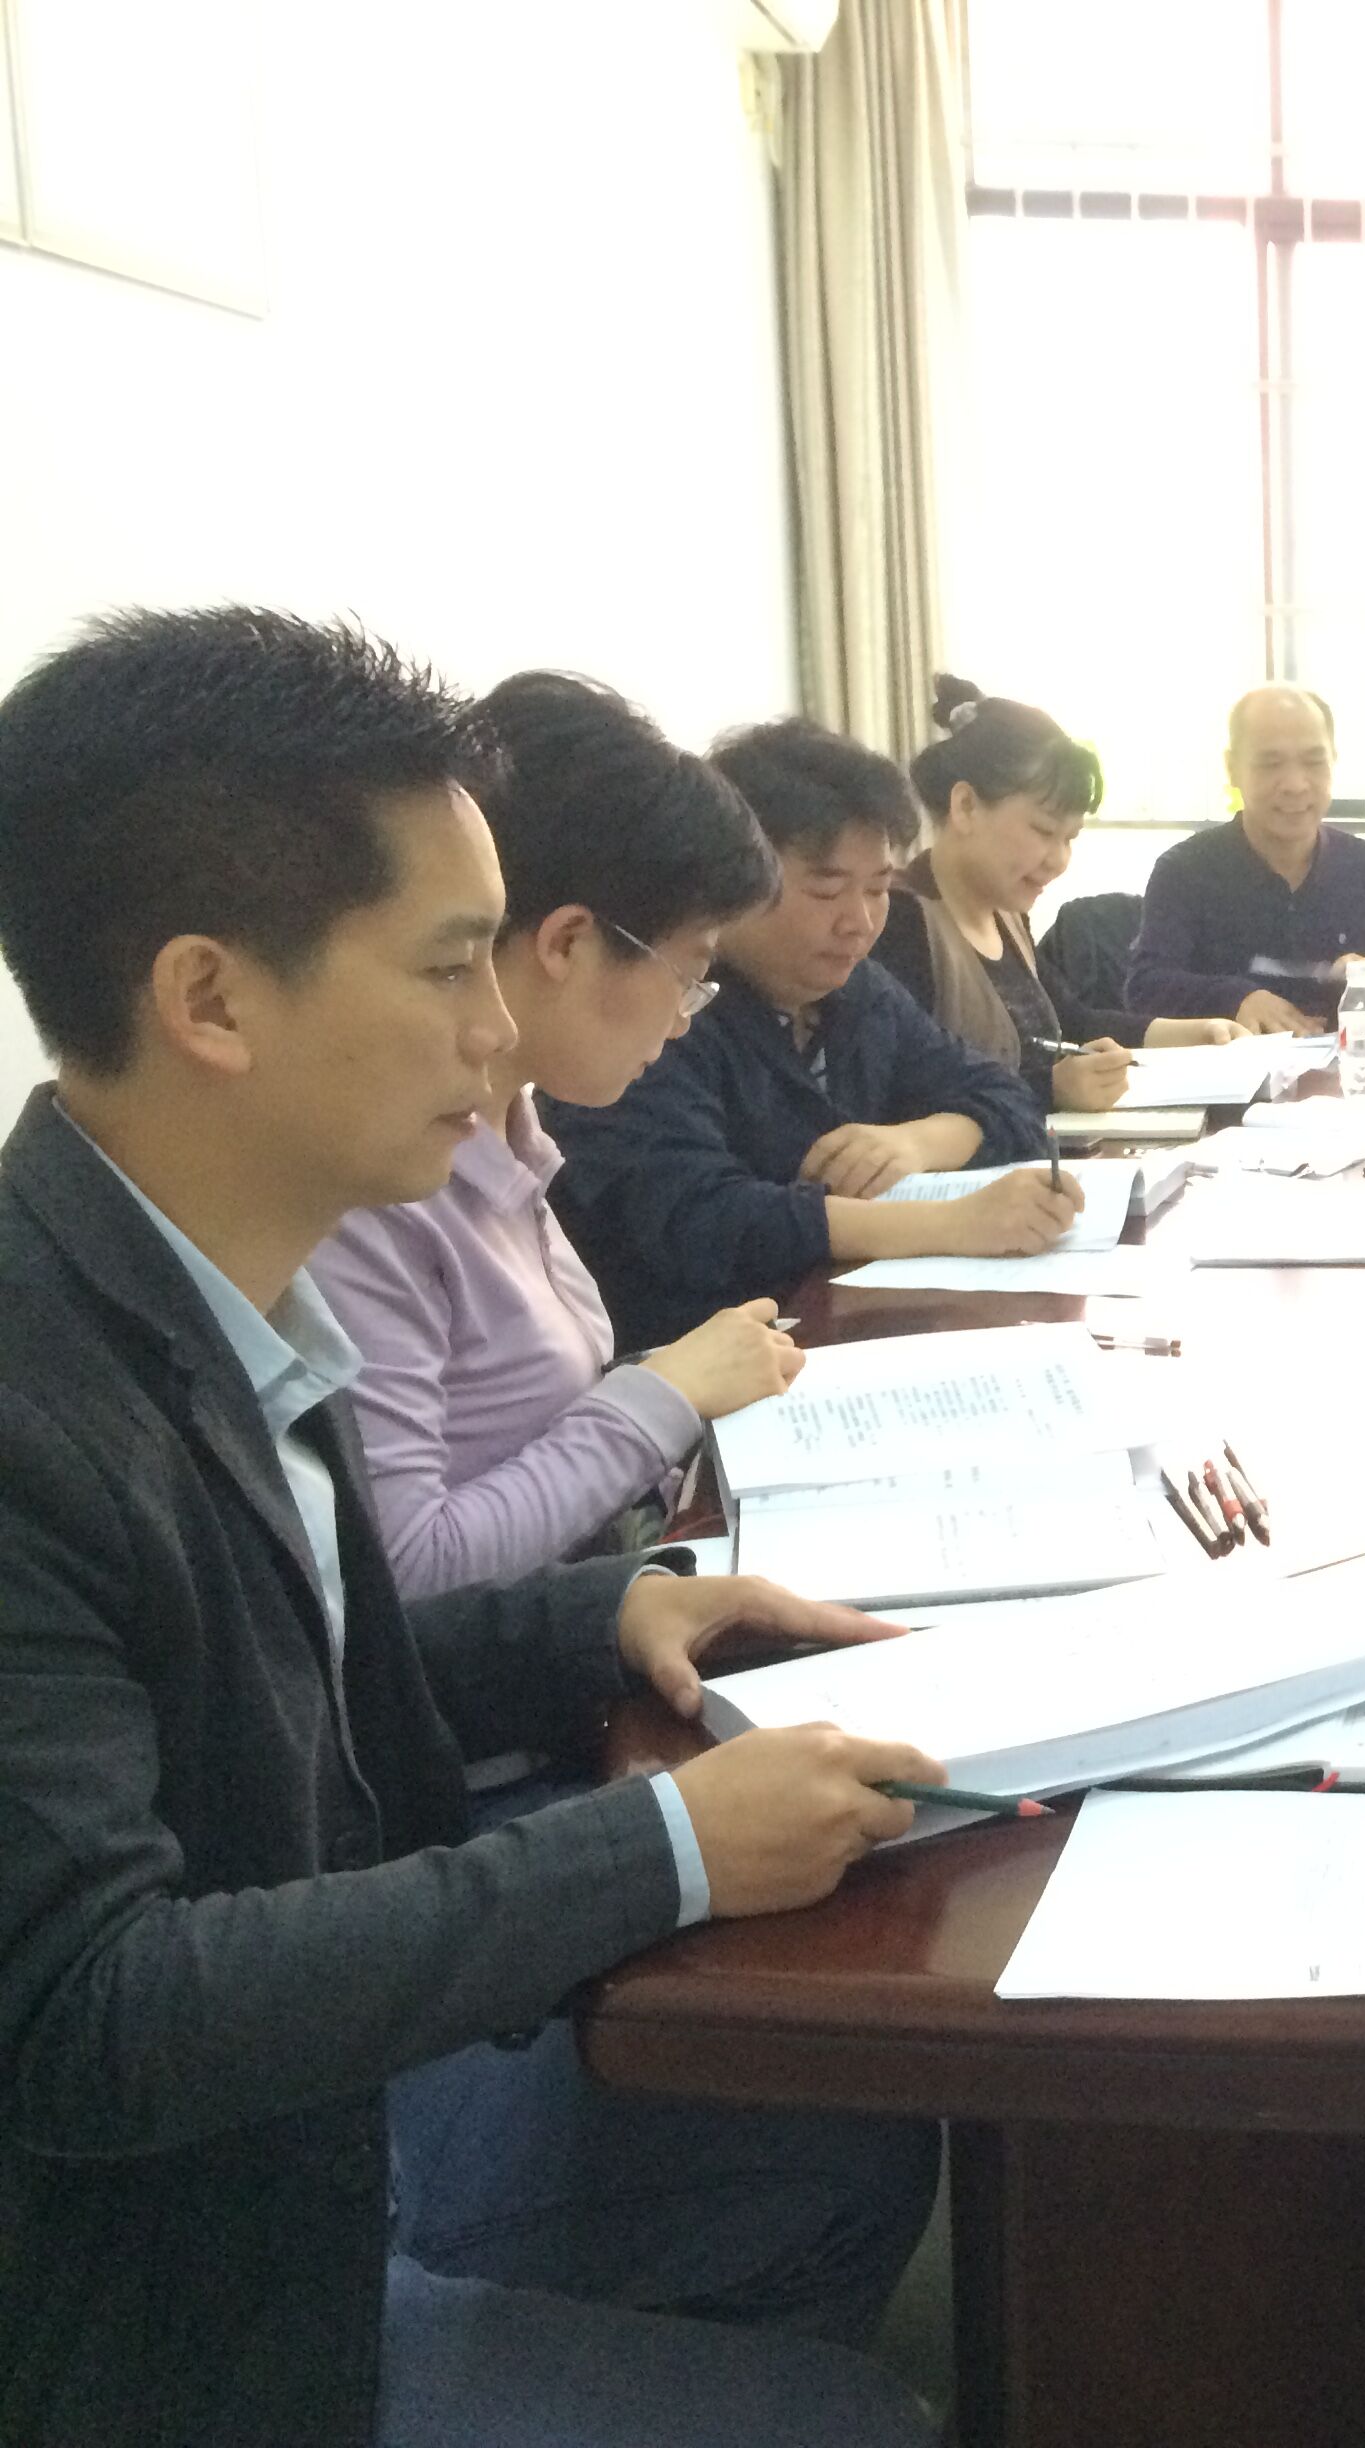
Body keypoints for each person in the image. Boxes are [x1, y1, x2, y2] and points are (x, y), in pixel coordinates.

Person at [0, 606, 954, 2445]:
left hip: (303, 2130)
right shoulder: (37, 1402)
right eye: (450, 965)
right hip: (187, 2292)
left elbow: (291, 1674)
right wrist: (658, 1849)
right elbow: (91, 2017)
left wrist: (598, 1615)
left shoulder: (224, 1291)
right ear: (211, 1000)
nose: (498, 1025)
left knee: (839, 2152)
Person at [309, 672, 802, 1599]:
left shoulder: (515, 1135)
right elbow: (406, 1572)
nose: (686, 1019)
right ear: (568, 943)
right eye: (689, 973)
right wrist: (664, 1395)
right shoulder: (378, 1183)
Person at [544, 716, 1078, 1350]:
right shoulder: (664, 1004)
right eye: (826, 890)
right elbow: (701, 1217)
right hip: (696, 1361)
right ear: (738, 878)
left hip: (846, 1333)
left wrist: (916, 1142)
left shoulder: (856, 992)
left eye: (878, 889)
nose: (860, 922)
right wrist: (948, 1224)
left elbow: (1006, 1095)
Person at [873, 672, 1246, 1113]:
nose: (1058, 860)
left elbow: (1071, 1023)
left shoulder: (1005, 914)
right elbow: (903, 1094)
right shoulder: (900, 920)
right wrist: (1048, 1090)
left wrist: (1194, 1033)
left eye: (1069, 839)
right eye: (1043, 831)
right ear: (966, 806)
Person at [1121, 684, 1365, 1033]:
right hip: (1237, 1063)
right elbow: (1144, 988)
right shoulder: (1185, 871)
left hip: (1347, 1063)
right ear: (1232, 768)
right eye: (1270, 764)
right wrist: (1236, 999)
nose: (1295, 784)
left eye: (1314, 762)